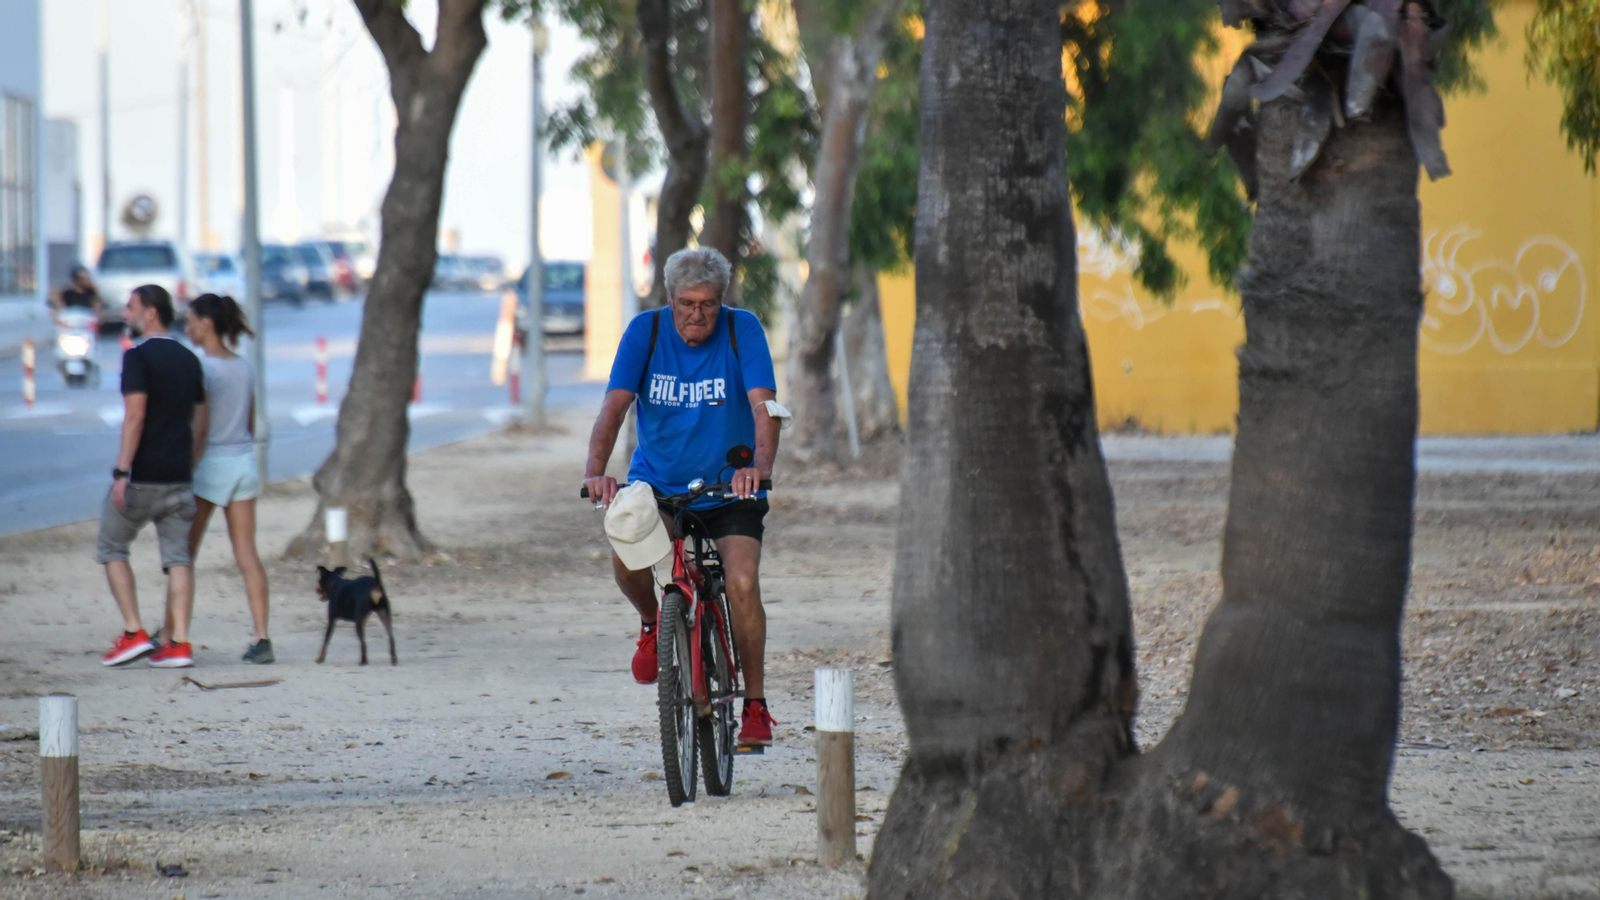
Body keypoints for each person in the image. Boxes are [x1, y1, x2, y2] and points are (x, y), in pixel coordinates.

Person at [582, 248, 784, 746]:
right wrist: (596, 474)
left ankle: (755, 705)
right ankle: (654, 622)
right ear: (670, 300)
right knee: (627, 546)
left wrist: (758, 469)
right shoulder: (645, 333)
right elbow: (613, 408)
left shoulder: (743, 331)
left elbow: (767, 408)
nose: (698, 314)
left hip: (730, 487)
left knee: (739, 581)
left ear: (722, 301)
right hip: (659, 484)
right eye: (688, 304)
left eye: (709, 304)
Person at [97, 285, 207, 668]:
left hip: (143, 474)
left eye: (131, 308)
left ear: (152, 313)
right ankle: (179, 643)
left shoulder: (138, 358)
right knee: (179, 559)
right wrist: (188, 465)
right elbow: (198, 423)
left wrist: (122, 472)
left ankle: (133, 632)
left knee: (112, 545)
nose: (126, 314)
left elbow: (135, 417)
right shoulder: (190, 359)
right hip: (179, 476)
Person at [185, 294, 273, 664]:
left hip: (210, 464)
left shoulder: (200, 367)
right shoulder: (244, 366)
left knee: (184, 555)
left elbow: (199, 428)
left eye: (190, 321)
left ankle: (175, 634)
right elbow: (250, 423)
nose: (187, 328)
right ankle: (261, 637)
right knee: (247, 554)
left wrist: (186, 468)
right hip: (242, 463)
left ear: (206, 324)